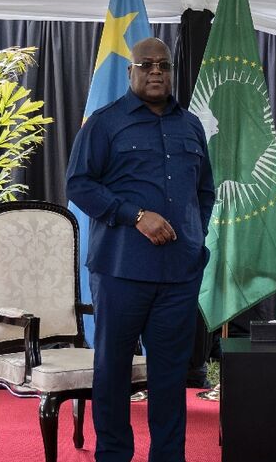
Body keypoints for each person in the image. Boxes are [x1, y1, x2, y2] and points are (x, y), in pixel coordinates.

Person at [66, 37, 215, 462]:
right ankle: (113, 455)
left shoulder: (191, 126)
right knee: (112, 371)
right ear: (130, 72)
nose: (156, 72)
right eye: (146, 65)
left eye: (164, 66)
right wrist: (134, 216)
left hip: (179, 277)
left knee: (171, 376)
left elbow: (204, 191)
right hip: (121, 272)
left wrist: (193, 237)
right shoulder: (104, 123)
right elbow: (78, 185)